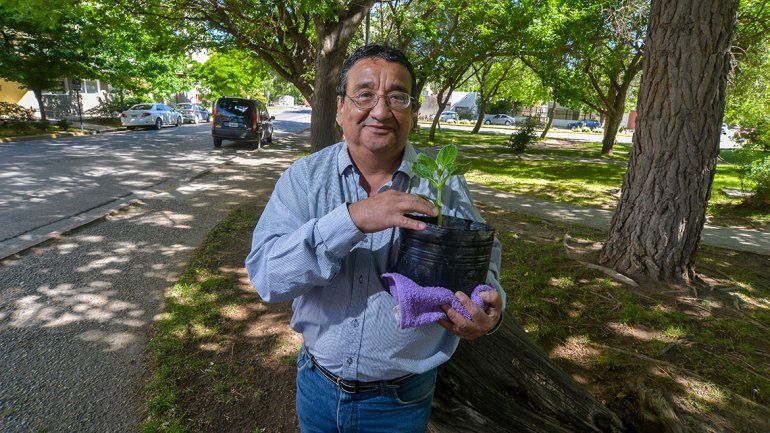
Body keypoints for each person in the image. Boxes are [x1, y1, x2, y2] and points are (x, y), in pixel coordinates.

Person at [245, 44, 505, 433]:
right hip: (317, 386)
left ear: (413, 113)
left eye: (397, 97)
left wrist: (489, 308)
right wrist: (351, 220)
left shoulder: (443, 183)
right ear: (340, 108)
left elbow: (485, 260)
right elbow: (268, 279)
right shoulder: (304, 179)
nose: (381, 111)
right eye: (365, 94)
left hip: (401, 400)